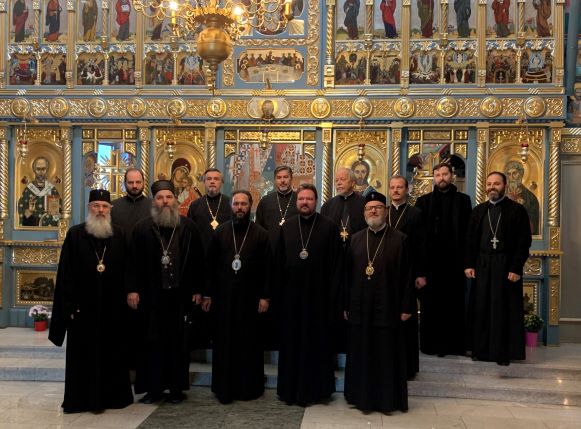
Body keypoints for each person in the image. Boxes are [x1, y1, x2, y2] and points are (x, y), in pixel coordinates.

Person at [49, 189, 133, 413]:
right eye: (96, 206)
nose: (100, 210)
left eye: (104, 206)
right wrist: (69, 306)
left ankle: (114, 399)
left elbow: (128, 270)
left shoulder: (120, 234)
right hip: (82, 310)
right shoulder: (75, 235)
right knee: (83, 357)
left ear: (110, 209)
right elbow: (65, 274)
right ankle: (81, 400)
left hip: (113, 309)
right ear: (89, 208)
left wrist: (128, 296)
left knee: (113, 355)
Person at [127, 180, 205, 404]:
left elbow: (198, 261)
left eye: (168, 197)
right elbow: (132, 262)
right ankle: (153, 390)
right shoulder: (142, 228)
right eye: (160, 198)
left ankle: (176, 390)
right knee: (151, 344)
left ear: (175, 200)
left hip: (179, 297)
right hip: (151, 297)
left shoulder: (188, 227)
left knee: (178, 345)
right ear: (154, 201)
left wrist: (198, 289)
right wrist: (132, 289)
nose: (165, 202)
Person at [344, 191, 412, 413]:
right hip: (360, 309)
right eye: (369, 208)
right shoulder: (355, 239)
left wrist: (406, 306)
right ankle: (359, 397)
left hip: (388, 307)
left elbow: (407, 276)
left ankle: (386, 401)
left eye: (378, 207)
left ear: (386, 211)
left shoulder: (400, 239)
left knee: (385, 355)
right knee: (361, 353)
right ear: (364, 212)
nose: (373, 211)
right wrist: (345, 304)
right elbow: (346, 277)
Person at [276, 183, 343, 406]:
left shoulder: (330, 228)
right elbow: (278, 264)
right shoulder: (287, 227)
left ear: (316, 201)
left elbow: (337, 267)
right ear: (297, 202)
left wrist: (333, 299)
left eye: (309, 199)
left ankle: (317, 392)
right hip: (291, 300)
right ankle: (290, 390)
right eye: (301, 199)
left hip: (319, 300)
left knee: (317, 346)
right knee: (292, 346)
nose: (304, 202)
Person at [203, 190, 272, 404]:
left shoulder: (261, 234)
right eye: (236, 204)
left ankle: (248, 389)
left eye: (244, 204)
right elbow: (210, 266)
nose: (239, 208)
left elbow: (268, 269)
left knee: (249, 344)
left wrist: (265, 297)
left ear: (250, 206)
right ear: (231, 206)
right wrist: (207, 294)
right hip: (223, 300)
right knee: (224, 344)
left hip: (251, 300)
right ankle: (224, 388)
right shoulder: (220, 232)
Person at [465, 172, 532, 366]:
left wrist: (516, 268)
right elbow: (470, 240)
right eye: (489, 184)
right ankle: (480, 350)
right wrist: (468, 264)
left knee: (503, 308)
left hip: (505, 265)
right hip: (482, 264)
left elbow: (523, 242)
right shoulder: (479, 211)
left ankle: (503, 352)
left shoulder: (517, 210)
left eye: (496, 184)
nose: (492, 187)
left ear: (504, 186)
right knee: (481, 307)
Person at [415, 163, 472, 357]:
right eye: (438, 174)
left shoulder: (463, 200)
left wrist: (467, 263)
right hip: (431, 264)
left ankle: (455, 346)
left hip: (455, 264)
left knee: (454, 305)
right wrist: (420, 270)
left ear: (452, 176)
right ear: (434, 178)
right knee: (432, 306)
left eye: (445, 174)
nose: (441, 178)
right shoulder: (423, 202)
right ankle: (431, 345)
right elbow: (419, 238)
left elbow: (468, 235)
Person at [387, 175, 426, 380]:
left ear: (406, 190)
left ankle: (407, 367)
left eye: (399, 187)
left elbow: (422, 246)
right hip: (386, 273)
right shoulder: (383, 212)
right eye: (392, 187)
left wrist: (420, 273)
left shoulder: (416, 214)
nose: (395, 191)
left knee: (406, 317)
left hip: (408, 272)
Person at [187, 168, 231, 253]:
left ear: (221, 183)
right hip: (201, 253)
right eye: (209, 179)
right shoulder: (195, 205)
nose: (212, 181)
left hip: (225, 252)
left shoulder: (230, 203)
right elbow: (190, 232)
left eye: (216, 179)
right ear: (204, 182)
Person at [255, 165, 298, 251]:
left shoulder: (299, 199)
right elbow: (258, 227)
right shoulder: (265, 201)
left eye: (285, 177)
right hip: (270, 249)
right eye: (279, 177)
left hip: (294, 247)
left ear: (291, 178)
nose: (282, 180)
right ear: (275, 180)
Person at [321, 167, 367, 247]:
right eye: (336, 180)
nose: (338, 183)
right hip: (334, 249)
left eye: (342, 179)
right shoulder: (327, 205)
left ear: (352, 183)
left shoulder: (364, 203)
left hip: (358, 248)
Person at [18, 156, 61, 227]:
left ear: (47, 170)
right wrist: (30, 211)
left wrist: (54, 215)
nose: (41, 172)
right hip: (32, 227)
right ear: (34, 170)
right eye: (38, 169)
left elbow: (59, 214)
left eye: (43, 169)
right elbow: (21, 212)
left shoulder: (52, 189)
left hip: (49, 228)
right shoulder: (28, 190)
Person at [111, 168, 152, 242]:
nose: (134, 186)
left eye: (138, 182)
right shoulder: (113, 206)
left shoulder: (153, 206)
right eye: (130, 182)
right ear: (124, 183)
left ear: (144, 182)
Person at [504, 160, 540, 235]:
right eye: (509, 174)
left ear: (521, 174)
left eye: (514, 173)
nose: (511, 177)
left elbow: (533, 228)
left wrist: (521, 207)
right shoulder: (502, 195)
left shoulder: (530, 197)